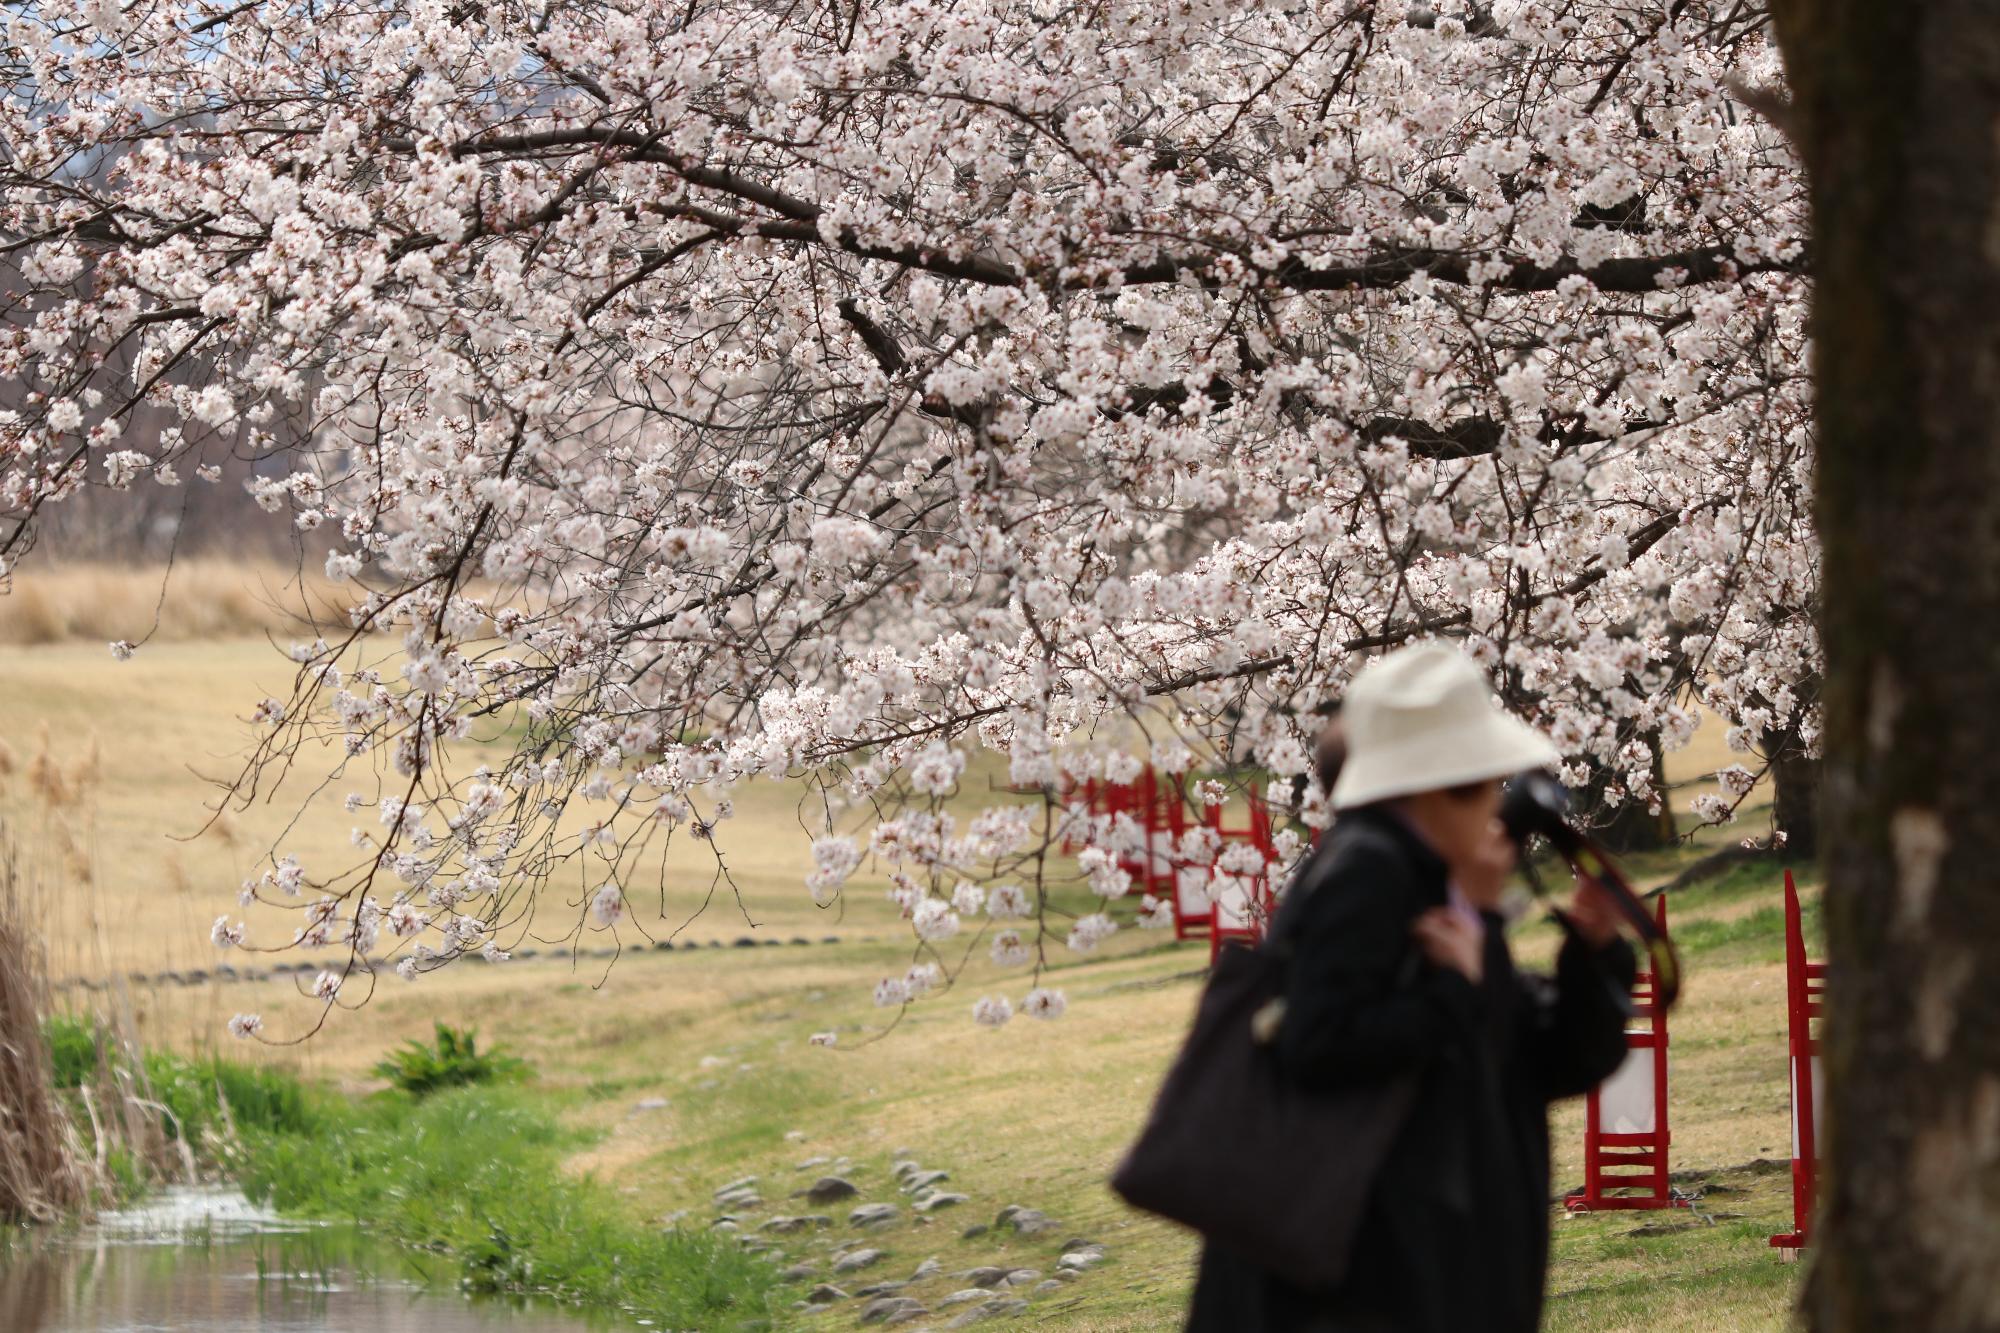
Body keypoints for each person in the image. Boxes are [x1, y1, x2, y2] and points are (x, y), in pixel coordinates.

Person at [1187, 643, 1637, 1333]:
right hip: (1360, 1285)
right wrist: (1456, 981)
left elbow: (1540, 1060)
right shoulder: (1368, 872)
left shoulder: (1437, 882)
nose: (1497, 804)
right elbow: (1319, 1042)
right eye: (1485, 783)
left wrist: (1593, 953)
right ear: (1439, 784)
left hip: (1428, 1267)